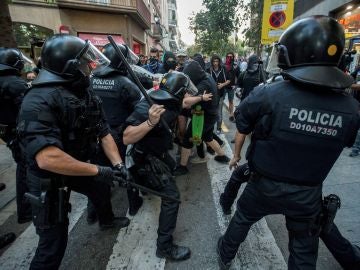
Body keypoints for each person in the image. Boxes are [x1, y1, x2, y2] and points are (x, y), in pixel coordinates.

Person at [217, 16, 360, 270]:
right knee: (304, 251)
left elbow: (242, 121)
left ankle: (225, 255)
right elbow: (347, 142)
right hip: (307, 194)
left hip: (264, 185)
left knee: (242, 220)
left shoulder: (268, 93)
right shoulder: (351, 107)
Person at [17, 35, 130, 270]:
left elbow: (104, 131)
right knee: (53, 244)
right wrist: (98, 169)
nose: (89, 67)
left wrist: (118, 165)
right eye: (83, 63)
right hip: (48, 178)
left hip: (78, 164)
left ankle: (106, 220)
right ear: (68, 66)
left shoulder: (82, 91)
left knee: (100, 189)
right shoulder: (38, 100)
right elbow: (48, 158)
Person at [122, 71, 198, 261]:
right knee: (172, 197)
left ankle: (142, 188)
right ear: (179, 91)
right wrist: (150, 122)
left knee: (171, 167)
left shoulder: (172, 101)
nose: (188, 96)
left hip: (159, 154)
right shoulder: (148, 106)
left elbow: (186, 102)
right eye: (186, 92)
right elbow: (127, 137)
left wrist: (201, 97)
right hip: (146, 160)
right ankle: (164, 247)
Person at [89, 43, 143, 221]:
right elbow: (139, 110)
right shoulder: (125, 83)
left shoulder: (90, 79)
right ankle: (134, 204)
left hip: (96, 135)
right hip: (119, 136)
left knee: (98, 175)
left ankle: (94, 213)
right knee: (128, 168)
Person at [175, 61, 230, 176]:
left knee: (187, 139)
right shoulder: (206, 76)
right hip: (210, 114)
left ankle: (182, 167)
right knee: (208, 137)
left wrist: (186, 97)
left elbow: (186, 103)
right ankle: (222, 156)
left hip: (204, 116)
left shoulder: (203, 85)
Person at [0, 47, 32, 224]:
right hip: (18, 132)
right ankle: (26, 210)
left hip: (8, 132)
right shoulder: (14, 83)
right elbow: (29, 109)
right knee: (26, 170)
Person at [207, 54, 231, 134]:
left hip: (220, 95)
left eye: (217, 61)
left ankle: (218, 128)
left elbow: (229, 80)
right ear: (212, 62)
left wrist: (222, 85)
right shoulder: (208, 70)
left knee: (219, 112)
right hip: (210, 95)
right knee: (210, 112)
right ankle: (209, 129)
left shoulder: (223, 69)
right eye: (214, 61)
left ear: (219, 61)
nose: (215, 63)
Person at [224, 52, 240, 122]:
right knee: (220, 101)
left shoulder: (236, 66)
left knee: (231, 101)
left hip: (231, 87)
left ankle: (231, 114)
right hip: (224, 86)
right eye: (228, 56)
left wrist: (236, 85)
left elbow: (239, 76)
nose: (229, 58)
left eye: (231, 57)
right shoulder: (223, 66)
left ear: (233, 57)